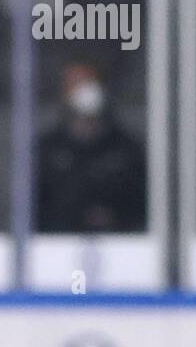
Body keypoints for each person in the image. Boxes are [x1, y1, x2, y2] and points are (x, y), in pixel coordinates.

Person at [36, 62, 147, 233]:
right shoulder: (48, 148)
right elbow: (35, 206)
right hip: (57, 244)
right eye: (75, 85)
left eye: (88, 83)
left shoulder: (126, 148)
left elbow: (141, 204)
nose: (83, 91)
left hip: (121, 244)